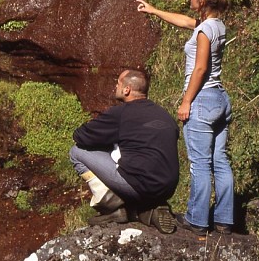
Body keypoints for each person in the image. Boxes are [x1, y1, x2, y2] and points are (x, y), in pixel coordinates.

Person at [137, 0, 233, 236]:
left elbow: (200, 68)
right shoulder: (216, 25)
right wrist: (154, 10)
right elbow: (184, 21)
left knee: (200, 164)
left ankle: (197, 220)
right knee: (220, 161)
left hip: (202, 99)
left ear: (201, 1)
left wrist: (186, 101)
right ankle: (224, 220)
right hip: (221, 99)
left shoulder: (203, 31)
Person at [69, 69, 179, 234]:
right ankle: (147, 209)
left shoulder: (122, 113)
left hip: (140, 184)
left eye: (118, 83)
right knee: (129, 155)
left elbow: (81, 137)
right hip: (168, 187)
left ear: (127, 89)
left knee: (76, 152)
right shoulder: (164, 114)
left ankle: (113, 206)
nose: (116, 86)